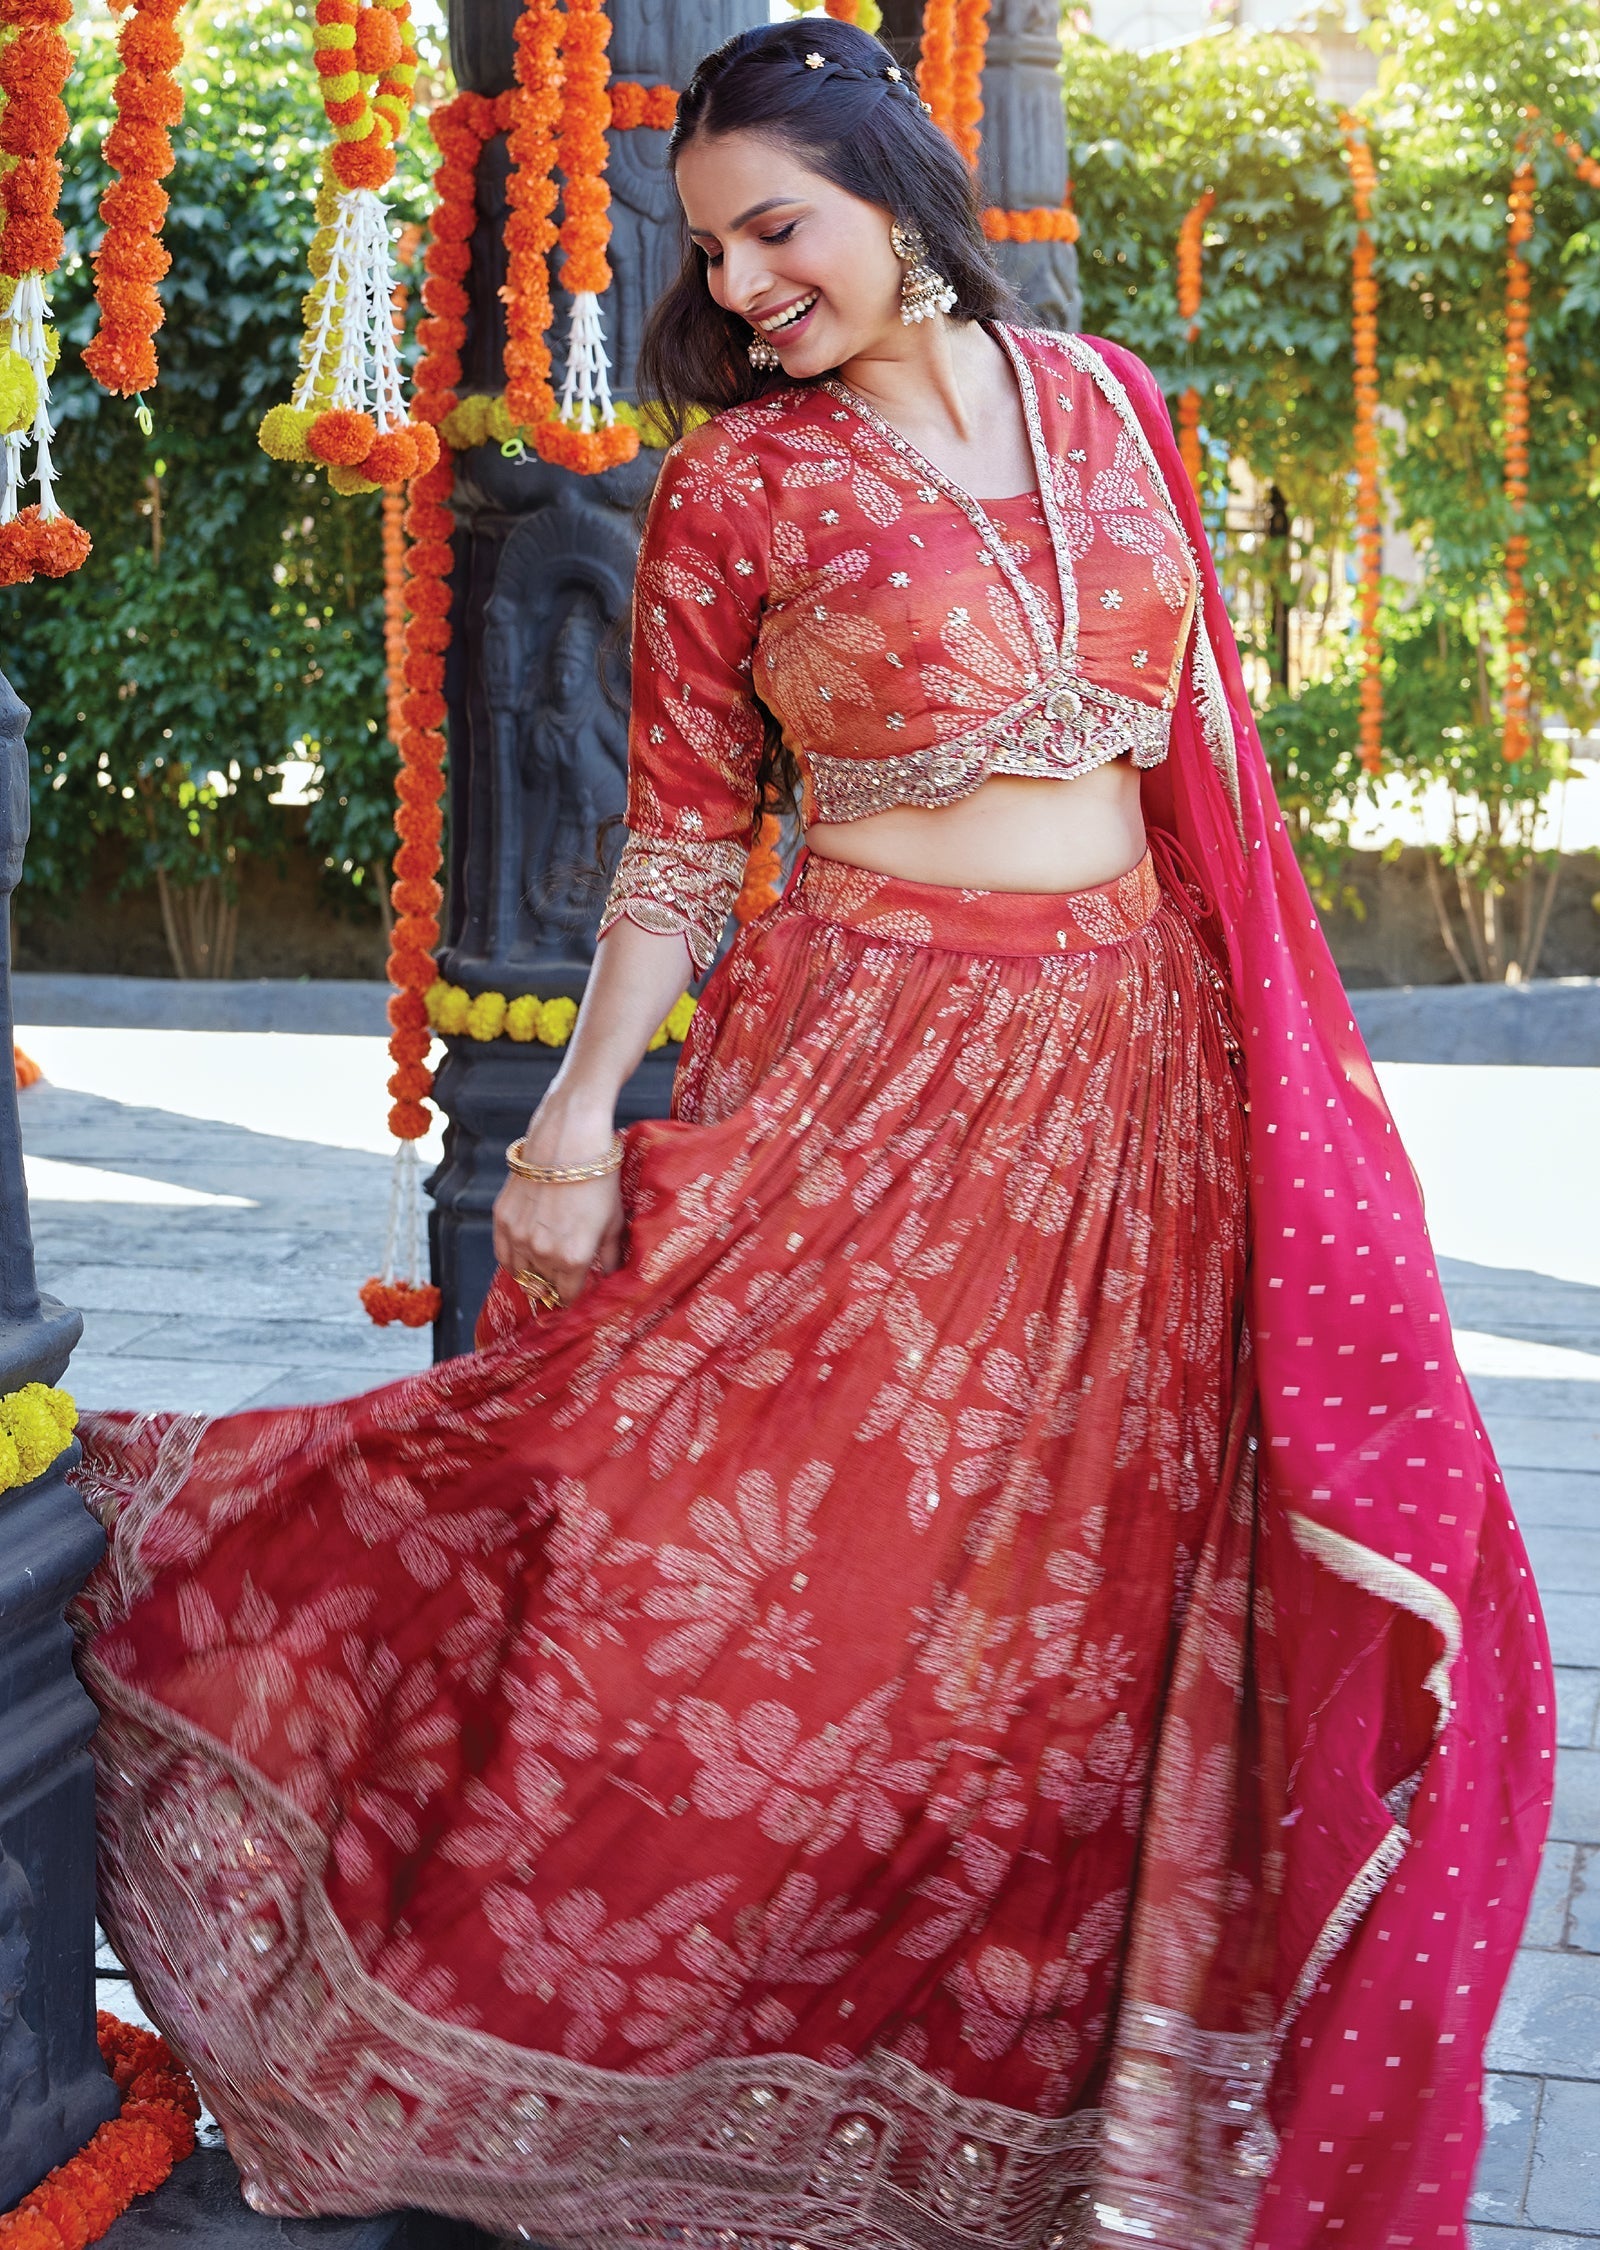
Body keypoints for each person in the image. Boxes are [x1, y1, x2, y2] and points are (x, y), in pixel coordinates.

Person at [71, 20, 1551, 2250]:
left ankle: (1021, 2124)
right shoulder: (735, 490)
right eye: (715, 250)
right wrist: (573, 1123)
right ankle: (443, 1939)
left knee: (1066, 1624)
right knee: (724, 1550)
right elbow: (675, 847)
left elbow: (1200, 793)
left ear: (897, 188)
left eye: (782, 226)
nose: (751, 282)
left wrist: (1276, 1134)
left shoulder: (1108, 408)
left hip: (1133, 1092)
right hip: (865, 1072)